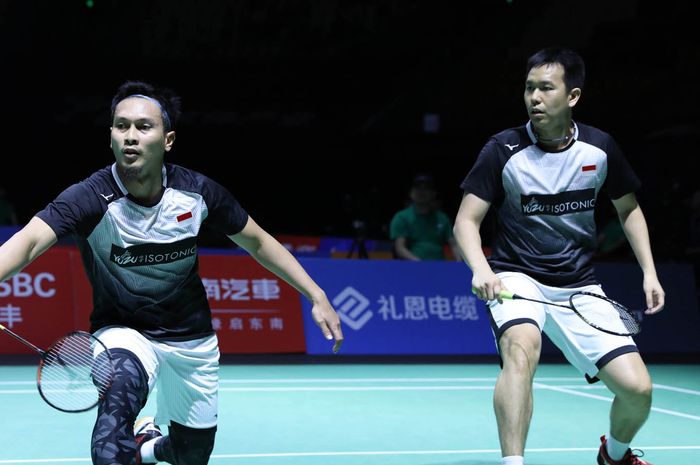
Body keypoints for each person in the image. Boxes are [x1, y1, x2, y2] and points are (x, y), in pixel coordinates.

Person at [0, 81, 344, 465]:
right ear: (111, 136)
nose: (130, 136)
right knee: (111, 440)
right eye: (121, 126)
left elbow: (258, 242)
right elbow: (30, 240)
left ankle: (149, 445)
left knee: (190, 453)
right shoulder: (90, 197)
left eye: (143, 127)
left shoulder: (197, 193)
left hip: (190, 337)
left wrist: (317, 295)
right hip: (123, 333)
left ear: (168, 139)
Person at [453, 47, 664, 465]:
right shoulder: (503, 150)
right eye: (529, 88)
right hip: (517, 277)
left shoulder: (599, 149)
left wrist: (649, 272)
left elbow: (629, 208)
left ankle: (615, 455)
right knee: (520, 348)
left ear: (572, 96)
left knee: (638, 390)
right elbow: (465, 222)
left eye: (546, 88)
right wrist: (480, 269)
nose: (534, 97)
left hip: (580, 285)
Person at [390, 173, 460, 261]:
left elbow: (454, 244)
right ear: (411, 193)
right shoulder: (401, 217)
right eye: (418, 188)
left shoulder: (442, 218)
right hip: (411, 268)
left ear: (433, 193)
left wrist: (459, 263)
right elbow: (400, 248)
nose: (422, 192)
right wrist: (421, 264)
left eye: (426, 188)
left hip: (440, 267)